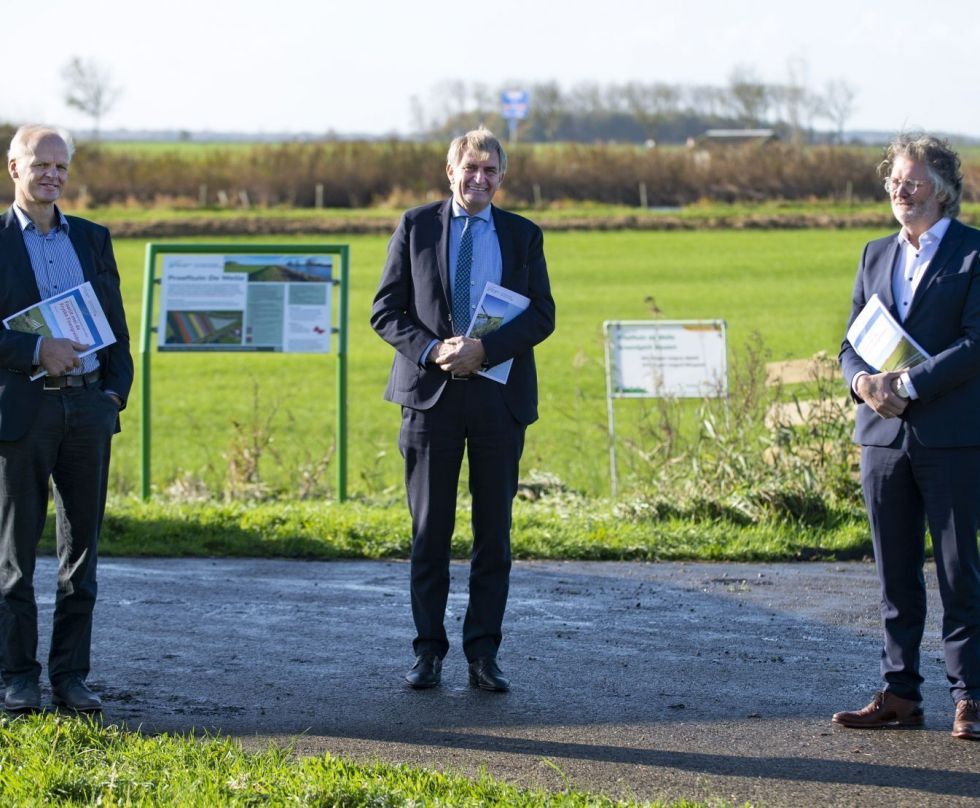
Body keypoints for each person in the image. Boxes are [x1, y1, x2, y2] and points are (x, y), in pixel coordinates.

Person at [371, 128, 555, 692]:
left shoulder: (523, 235)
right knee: (429, 532)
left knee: (492, 535)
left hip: (499, 397)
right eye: (470, 169)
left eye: (490, 171)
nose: (480, 179)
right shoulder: (416, 226)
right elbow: (385, 310)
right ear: (450, 172)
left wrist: (484, 350)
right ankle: (427, 651)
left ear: (502, 177)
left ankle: (484, 654)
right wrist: (434, 349)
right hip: (431, 398)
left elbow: (542, 314)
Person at [836, 133, 980, 741]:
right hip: (882, 439)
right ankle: (899, 694)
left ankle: (970, 697)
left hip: (950, 439)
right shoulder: (874, 254)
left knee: (957, 573)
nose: (900, 190)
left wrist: (909, 384)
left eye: (912, 181)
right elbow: (849, 344)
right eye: (894, 180)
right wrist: (865, 384)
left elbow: (976, 344)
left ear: (943, 189)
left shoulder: (974, 253)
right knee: (894, 575)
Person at [1, 125, 133, 713]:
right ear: (14, 168)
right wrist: (35, 351)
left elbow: (117, 326)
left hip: (87, 408)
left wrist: (113, 395)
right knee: (15, 555)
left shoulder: (93, 238)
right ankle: (18, 676)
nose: (51, 174)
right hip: (23, 411)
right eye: (40, 163)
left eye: (61, 165)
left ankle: (70, 676)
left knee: (82, 552)